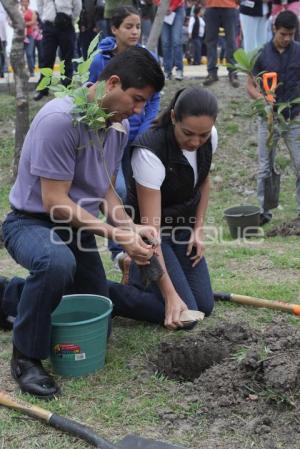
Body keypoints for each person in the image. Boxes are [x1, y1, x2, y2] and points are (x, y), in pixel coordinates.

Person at [0, 46, 164, 399]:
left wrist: (130, 228)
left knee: (94, 321)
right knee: (56, 261)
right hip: (31, 222)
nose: (137, 112)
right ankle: (26, 358)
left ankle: (9, 297)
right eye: (136, 100)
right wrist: (113, 233)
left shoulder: (115, 127)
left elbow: (106, 191)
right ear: (113, 83)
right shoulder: (61, 119)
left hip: (77, 227)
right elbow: (55, 203)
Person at [109, 86, 218, 330]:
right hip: (151, 234)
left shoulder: (207, 137)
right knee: (184, 316)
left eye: (203, 136)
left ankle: (141, 271)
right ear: (173, 118)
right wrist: (170, 296)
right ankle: (119, 285)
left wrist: (198, 229)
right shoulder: (150, 152)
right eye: (188, 133)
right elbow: (152, 233)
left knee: (204, 305)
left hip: (181, 228)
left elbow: (204, 179)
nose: (195, 142)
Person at [89, 5, 160, 270]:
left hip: (137, 140)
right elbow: (94, 95)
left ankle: (141, 241)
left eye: (138, 27)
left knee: (136, 191)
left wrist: (143, 132)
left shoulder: (147, 57)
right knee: (115, 189)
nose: (134, 32)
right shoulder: (100, 60)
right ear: (115, 29)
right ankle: (119, 251)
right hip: (109, 138)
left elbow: (154, 100)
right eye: (128, 26)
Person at [247, 10, 300, 224]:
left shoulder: (299, 52)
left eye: (291, 34)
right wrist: (262, 98)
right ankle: (263, 212)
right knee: (265, 166)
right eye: (283, 34)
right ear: (274, 30)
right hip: (268, 119)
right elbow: (250, 85)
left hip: (294, 119)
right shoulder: (260, 54)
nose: (287, 38)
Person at [34, 0, 82, 101]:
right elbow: (39, 5)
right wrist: (45, 18)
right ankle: (43, 89)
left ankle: (66, 88)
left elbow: (78, 5)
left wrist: (71, 20)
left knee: (66, 59)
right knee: (46, 59)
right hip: (49, 26)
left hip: (66, 25)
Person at [203, 0, 239, 87]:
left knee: (231, 42)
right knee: (211, 42)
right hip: (212, 6)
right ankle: (212, 73)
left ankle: (232, 72)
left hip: (229, 6)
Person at [162, 0, 186, 80]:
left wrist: (172, 7)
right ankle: (167, 71)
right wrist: (161, 5)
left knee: (176, 41)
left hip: (178, 8)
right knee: (165, 42)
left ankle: (179, 70)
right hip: (163, 10)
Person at [21, 0, 37, 77]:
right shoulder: (18, 12)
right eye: (23, 2)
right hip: (20, 36)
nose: (24, 3)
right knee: (20, 55)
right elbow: (12, 21)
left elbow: (33, 21)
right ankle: (21, 72)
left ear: (28, 3)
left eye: (26, 2)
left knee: (29, 54)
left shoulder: (32, 12)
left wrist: (24, 24)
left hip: (29, 35)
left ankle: (31, 70)